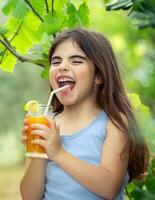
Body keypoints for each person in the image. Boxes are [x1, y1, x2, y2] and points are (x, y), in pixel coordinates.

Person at [20, 28, 149, 200]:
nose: (63, 66)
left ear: (99, 76)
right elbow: (29, 196)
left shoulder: (114, 123)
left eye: (76, 61)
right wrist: (38, 153)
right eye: (56, 61)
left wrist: (58, 153)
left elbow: (109, 187)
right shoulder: (46, 123)